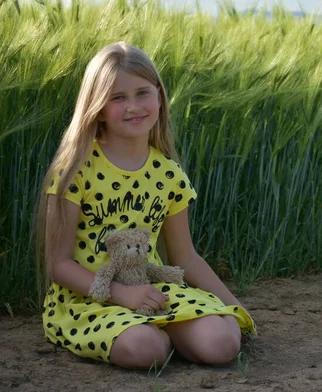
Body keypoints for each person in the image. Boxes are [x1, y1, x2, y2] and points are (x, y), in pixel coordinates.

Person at [37, 41, 256, 369]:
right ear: (97, 107)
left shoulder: (168, 174)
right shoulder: (73, 172)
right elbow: (58, 264)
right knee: (146, 349)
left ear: (159, 96)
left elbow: (186, 257)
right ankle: (156, 336)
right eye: (117, 97)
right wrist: (121, 295)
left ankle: (171, 332)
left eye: (142, 93)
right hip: (88, 298)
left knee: (223, 342)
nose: (133, 107)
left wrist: (236, 308)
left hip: (151, 290)